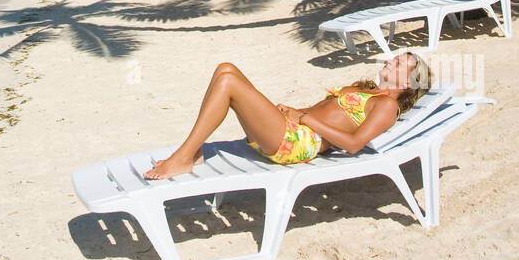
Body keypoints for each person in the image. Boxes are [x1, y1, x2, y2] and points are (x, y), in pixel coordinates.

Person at [144, 51, 430, 178]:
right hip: (292, 128)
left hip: (298, 143)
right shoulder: (367, 91)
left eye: (399, 64)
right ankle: (191, 152)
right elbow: (324, 111)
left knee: (228, 82)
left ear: (408, 83)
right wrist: (296, 112)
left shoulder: (387, 107)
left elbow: (354, 144)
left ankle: (183, 157)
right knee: (225, 69)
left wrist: (304, 119)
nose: (390, 61)